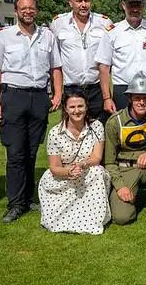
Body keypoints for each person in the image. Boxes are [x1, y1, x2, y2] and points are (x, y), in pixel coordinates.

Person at [0, 0, 63, 223]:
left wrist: (58, 93)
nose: (28, 11)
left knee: (31, 153)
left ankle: (28, 198)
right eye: (23, 8)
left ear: (36, 11)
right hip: (13, 97)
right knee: (15, 153)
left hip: (39, 97)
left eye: (31, 8)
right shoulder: (4, 37)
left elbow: (56, 68)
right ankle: (15, 203)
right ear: (16, 11)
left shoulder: (47, 36)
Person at [104, 72, 146, 226]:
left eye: (145, 98)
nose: (142, 102)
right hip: (125, 169)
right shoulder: (115, 122)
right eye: (137, 98)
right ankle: (129, 195)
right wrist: (120, 187)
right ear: (130, 98)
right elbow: (109, 162)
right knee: (122, 217)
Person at [38, 91, 111, 235]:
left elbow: (96, 157)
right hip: (63, 176)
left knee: (98, 171)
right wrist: (68, 172)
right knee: (53, 220)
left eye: (80, 106)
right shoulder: (55, 133)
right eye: (72, 107)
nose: (77, 110)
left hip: (87, 171)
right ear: (65, 109)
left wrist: (82, 165)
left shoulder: (96, 126)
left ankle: (91, 220)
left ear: (86, 107)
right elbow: (54, 167)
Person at [50, 0, 113, 121]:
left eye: (87, 0)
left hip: (97, 89)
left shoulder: (104, 22)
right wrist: (57, 92)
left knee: (99, 129)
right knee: (73, 130)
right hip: (71, 90)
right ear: (70, 3)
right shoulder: (58, 23)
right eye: (79, 1)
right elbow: (55, 61)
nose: (83, 5)